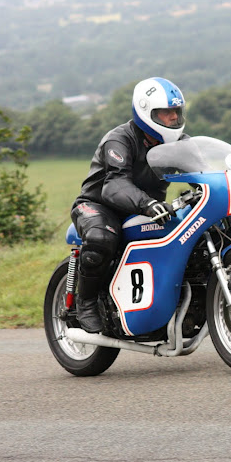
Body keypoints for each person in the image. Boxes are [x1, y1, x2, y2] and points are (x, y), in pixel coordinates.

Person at [70, 77, 187, 333]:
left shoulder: (178, 143)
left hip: (146, 209)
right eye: (165, 112)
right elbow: (114, 185)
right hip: (99, 205)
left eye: (176, 112)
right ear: (146, 112)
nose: (173, 118)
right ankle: (86, 303)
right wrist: (147, 203)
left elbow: (202, 166)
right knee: (101, 238)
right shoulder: (120, 139)